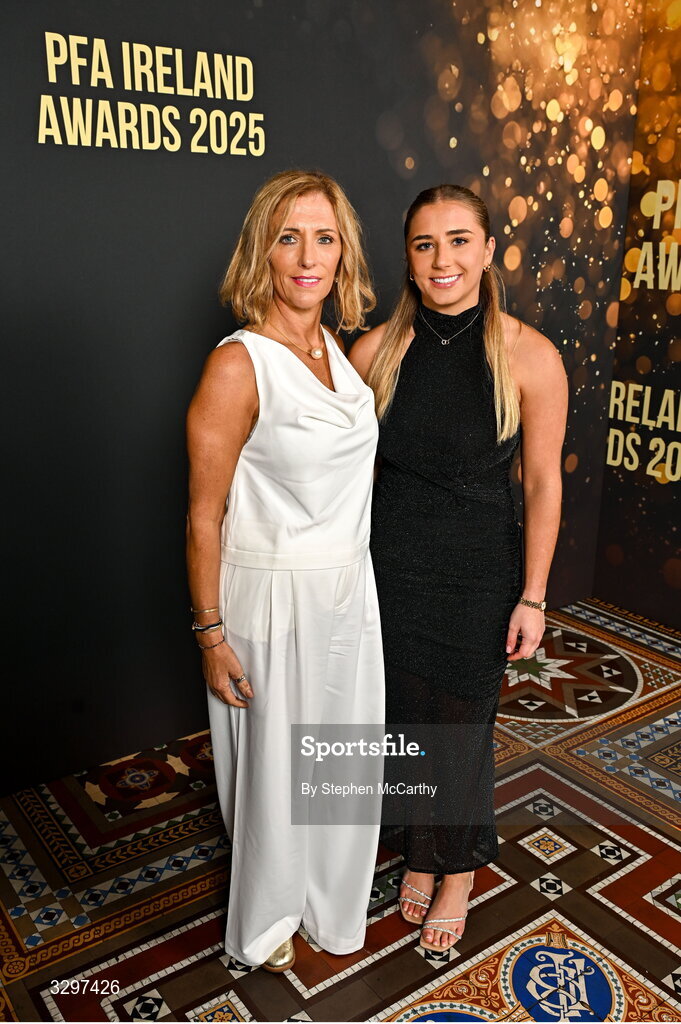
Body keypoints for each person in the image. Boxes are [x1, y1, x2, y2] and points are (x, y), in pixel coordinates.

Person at [350, 184, 568, 952]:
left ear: (486, 250)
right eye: (423, 244)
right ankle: (420, 848)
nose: (442, 259)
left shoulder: (530, 355)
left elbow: (542, 483)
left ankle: (457, 871)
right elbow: (349, 480)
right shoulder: (374, 352)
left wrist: (532, 597)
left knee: (462, 724)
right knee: (403, 719)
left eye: (457, 240)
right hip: (390, 569)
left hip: (480, 571)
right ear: (408, 261)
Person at [186, 170, 384, 970]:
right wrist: (209, 634)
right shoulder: (238, 366)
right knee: (273, 772)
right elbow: (204, 513)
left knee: (339, 757)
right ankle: (266, 920)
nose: (308, 256)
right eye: (288, 237)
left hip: (346, 585)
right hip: (266, 593)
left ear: (344, 254)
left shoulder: (336, 349)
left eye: (325, 238)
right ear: (261, 249)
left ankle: (328, 905)